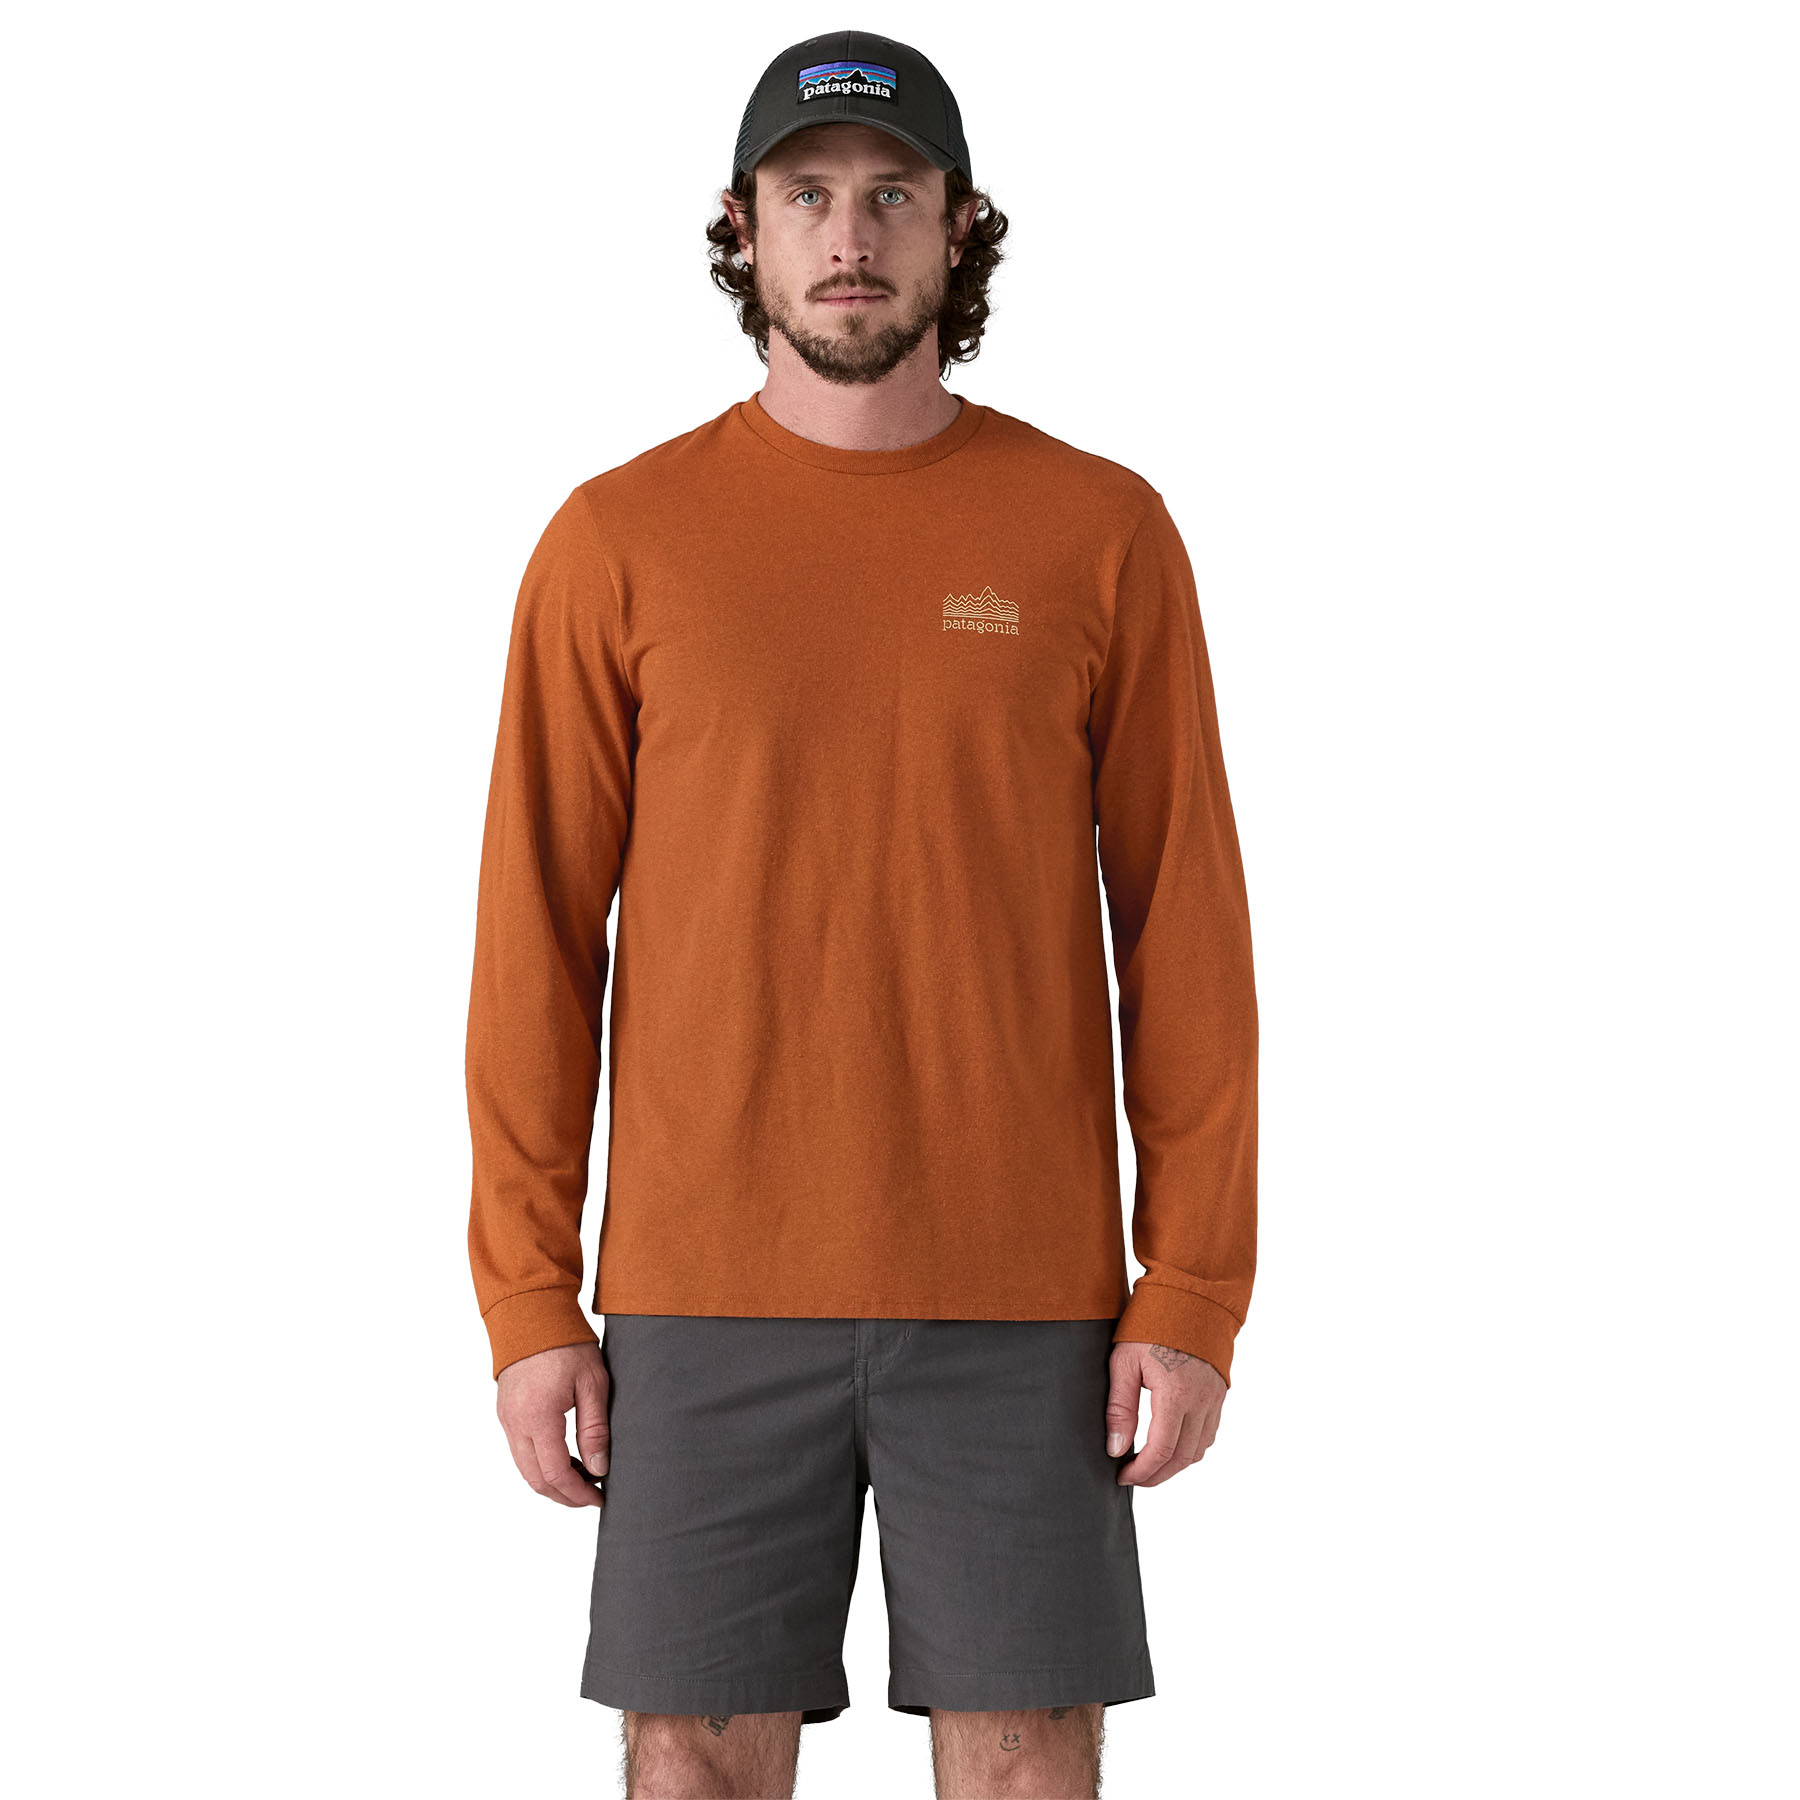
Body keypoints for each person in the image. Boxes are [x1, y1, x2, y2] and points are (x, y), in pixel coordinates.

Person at [464, 28, 1258, 1800]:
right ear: (741, 226)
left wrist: (1193, 1286)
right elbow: (534, 943)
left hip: (1026, 1294)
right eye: (807, 195)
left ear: (957, 227)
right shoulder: (616, 540)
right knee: (691, 1768)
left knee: (1029, 1769)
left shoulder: (1100, 532)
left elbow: (1186, 931)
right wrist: (528, 1297)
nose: (848, 236)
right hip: (701, 1285)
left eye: (892, 196)